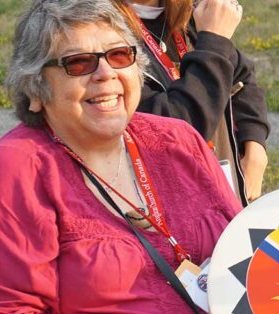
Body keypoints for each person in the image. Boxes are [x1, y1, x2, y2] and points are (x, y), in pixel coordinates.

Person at [0, 0, 247, 314]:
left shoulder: (179, 141)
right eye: (78, 63)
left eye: (119, 55)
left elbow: (244, 254)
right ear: (35, 91)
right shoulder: (14, 169)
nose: (105, 73)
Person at [113, 0, 270, 204]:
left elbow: (241, 75)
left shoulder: (189, 14)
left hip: (220, 195)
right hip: (163, 205)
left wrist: (255, 145)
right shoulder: (98, 31)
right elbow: (176, 130)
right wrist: (214, 43)